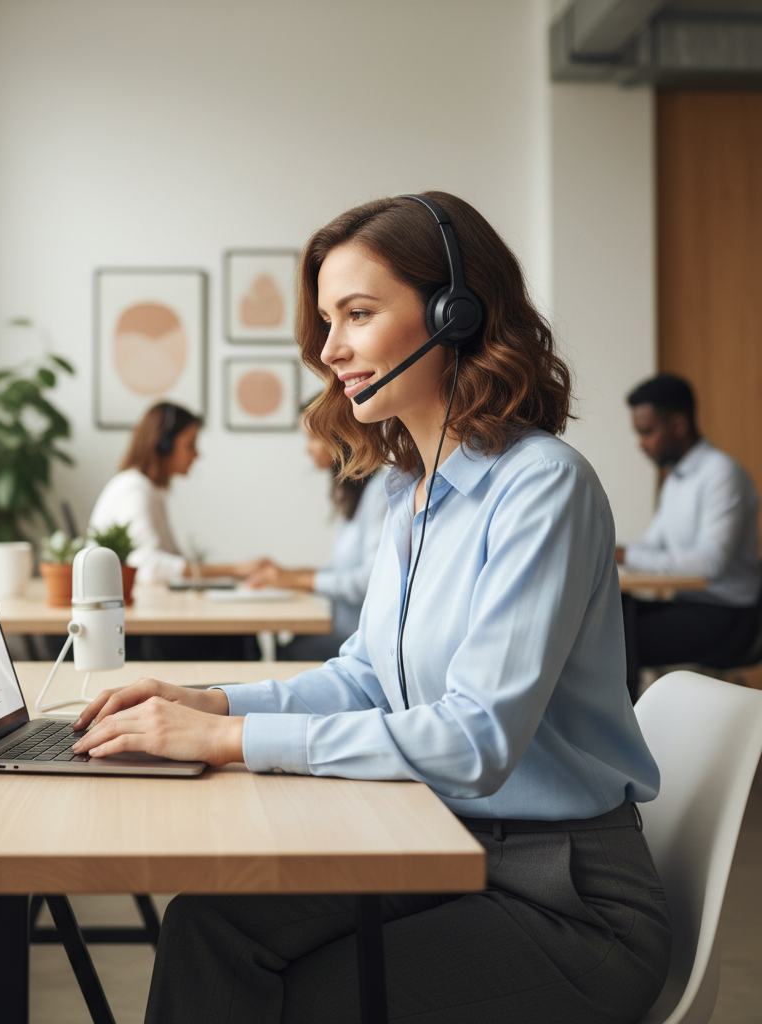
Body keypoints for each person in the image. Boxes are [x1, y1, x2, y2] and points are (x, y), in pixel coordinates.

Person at [72, 192, 671, 1023]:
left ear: (455, 314)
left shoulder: (543, 486)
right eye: (325, 320)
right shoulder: (411, 491)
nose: (330, 348)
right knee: (208, 928)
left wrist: (232, 740)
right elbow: (364, 677)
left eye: (358, 313)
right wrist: (208, 702)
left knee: (305, 997)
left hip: (564, 897)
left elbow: (476, 738)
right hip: (449, 842)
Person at [618, 374, 761, 699]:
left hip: (729, 616)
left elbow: (710, 563)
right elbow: (652, 546)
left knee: (618, 639)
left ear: (679, 425)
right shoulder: (676, 481)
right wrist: (611, 549)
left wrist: (625, 556)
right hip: (689, 605)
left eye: (647, 432)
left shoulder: (722, 475)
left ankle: (624, 736)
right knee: (610, 615)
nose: (641, 443)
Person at [88, 401, 264, 659]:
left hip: (138, 617)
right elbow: (149, 566)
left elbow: (170, 562)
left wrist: (227, 575)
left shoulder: (149, 490)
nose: (197, 454)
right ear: (163, 444)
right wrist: (233, 569)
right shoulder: (134, 489)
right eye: (190, 444)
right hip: (129, 633)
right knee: (236, 636)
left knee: (237, 632)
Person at [247, 408, 387, 660]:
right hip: (344, 630)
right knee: (271, 646)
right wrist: (287, 574)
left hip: (357, 639)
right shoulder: (356, 492)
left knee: (284, 651)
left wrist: (295, 580)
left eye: (311, 438)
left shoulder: (380, 493)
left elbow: (368, 581)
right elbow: (343, 571)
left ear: (340, 438)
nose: (306, 449)